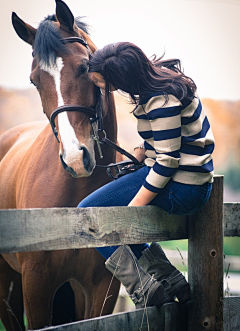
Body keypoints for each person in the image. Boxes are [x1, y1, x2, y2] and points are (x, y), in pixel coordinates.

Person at [78, 42, 214, 309]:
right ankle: (170, 281)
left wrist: (133, 211)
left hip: (183, 187)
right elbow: (174, 139)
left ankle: (143, 289)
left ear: (120, 78)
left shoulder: (160, 100)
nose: (99, 87)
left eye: (100, 82)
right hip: (190, 179)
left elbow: (167, 162)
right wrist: (142, 151)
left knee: (89, 213)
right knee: (109, 208)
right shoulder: (160, 83)